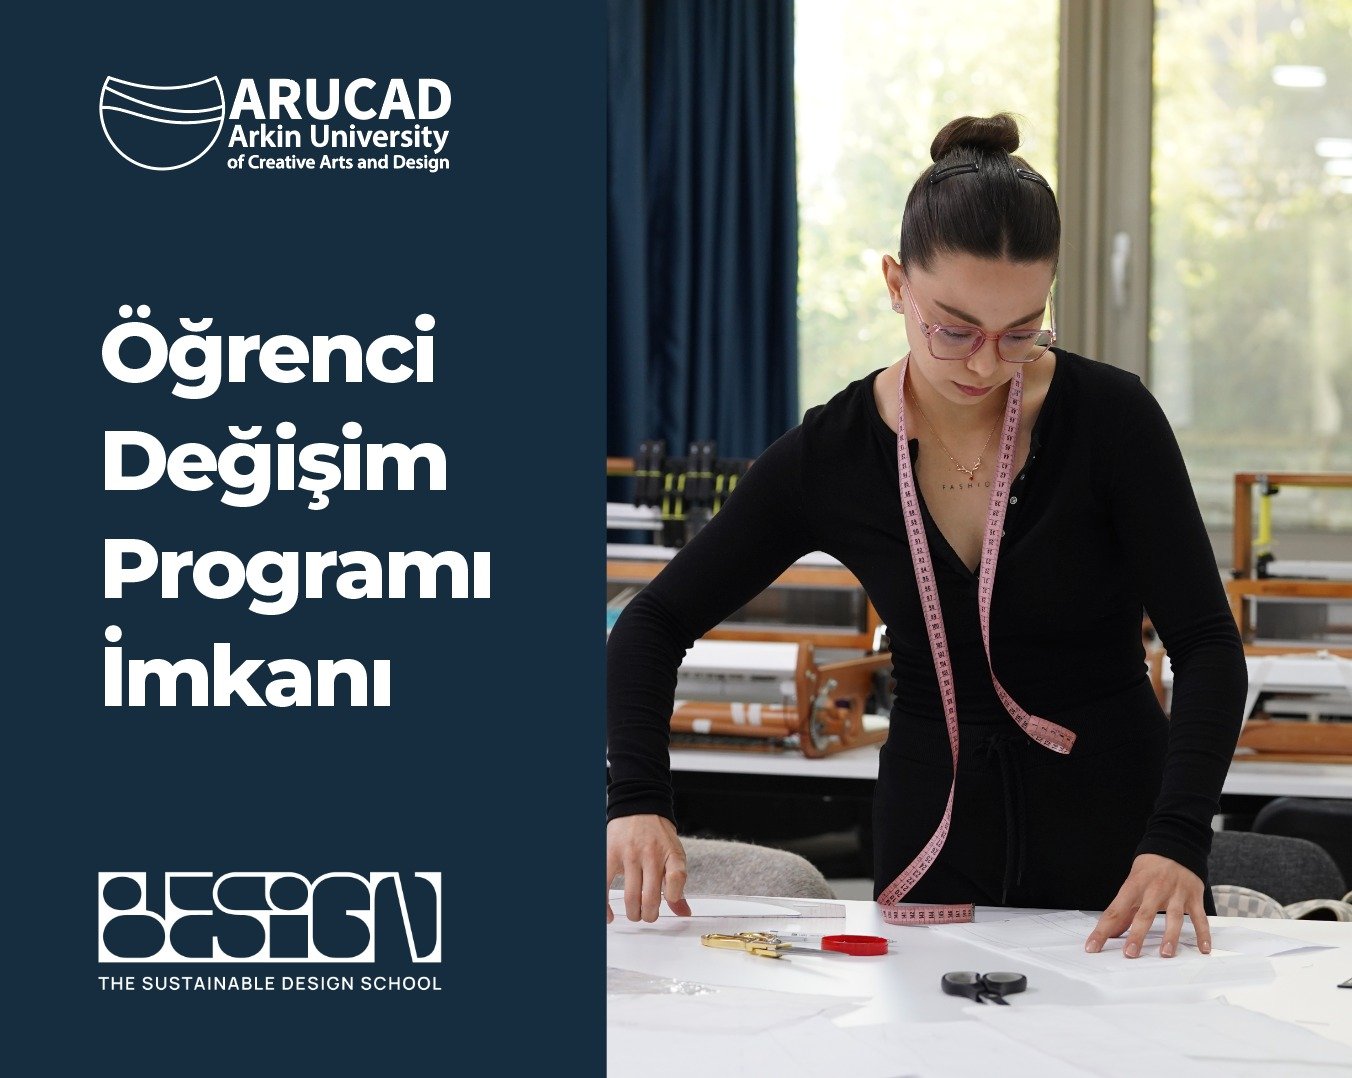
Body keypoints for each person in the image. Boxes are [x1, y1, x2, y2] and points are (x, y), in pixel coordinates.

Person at [605, 113, 1247, 959]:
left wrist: (1179, 837)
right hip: (933, 832)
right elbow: (650, 623)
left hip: (1122, 834)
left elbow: (1207, 645)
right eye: (954, 328)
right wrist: (637, 798)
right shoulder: (834, 454)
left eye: (1021, 332)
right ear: (895, 284)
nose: (985, 363)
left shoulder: (1112, 421)